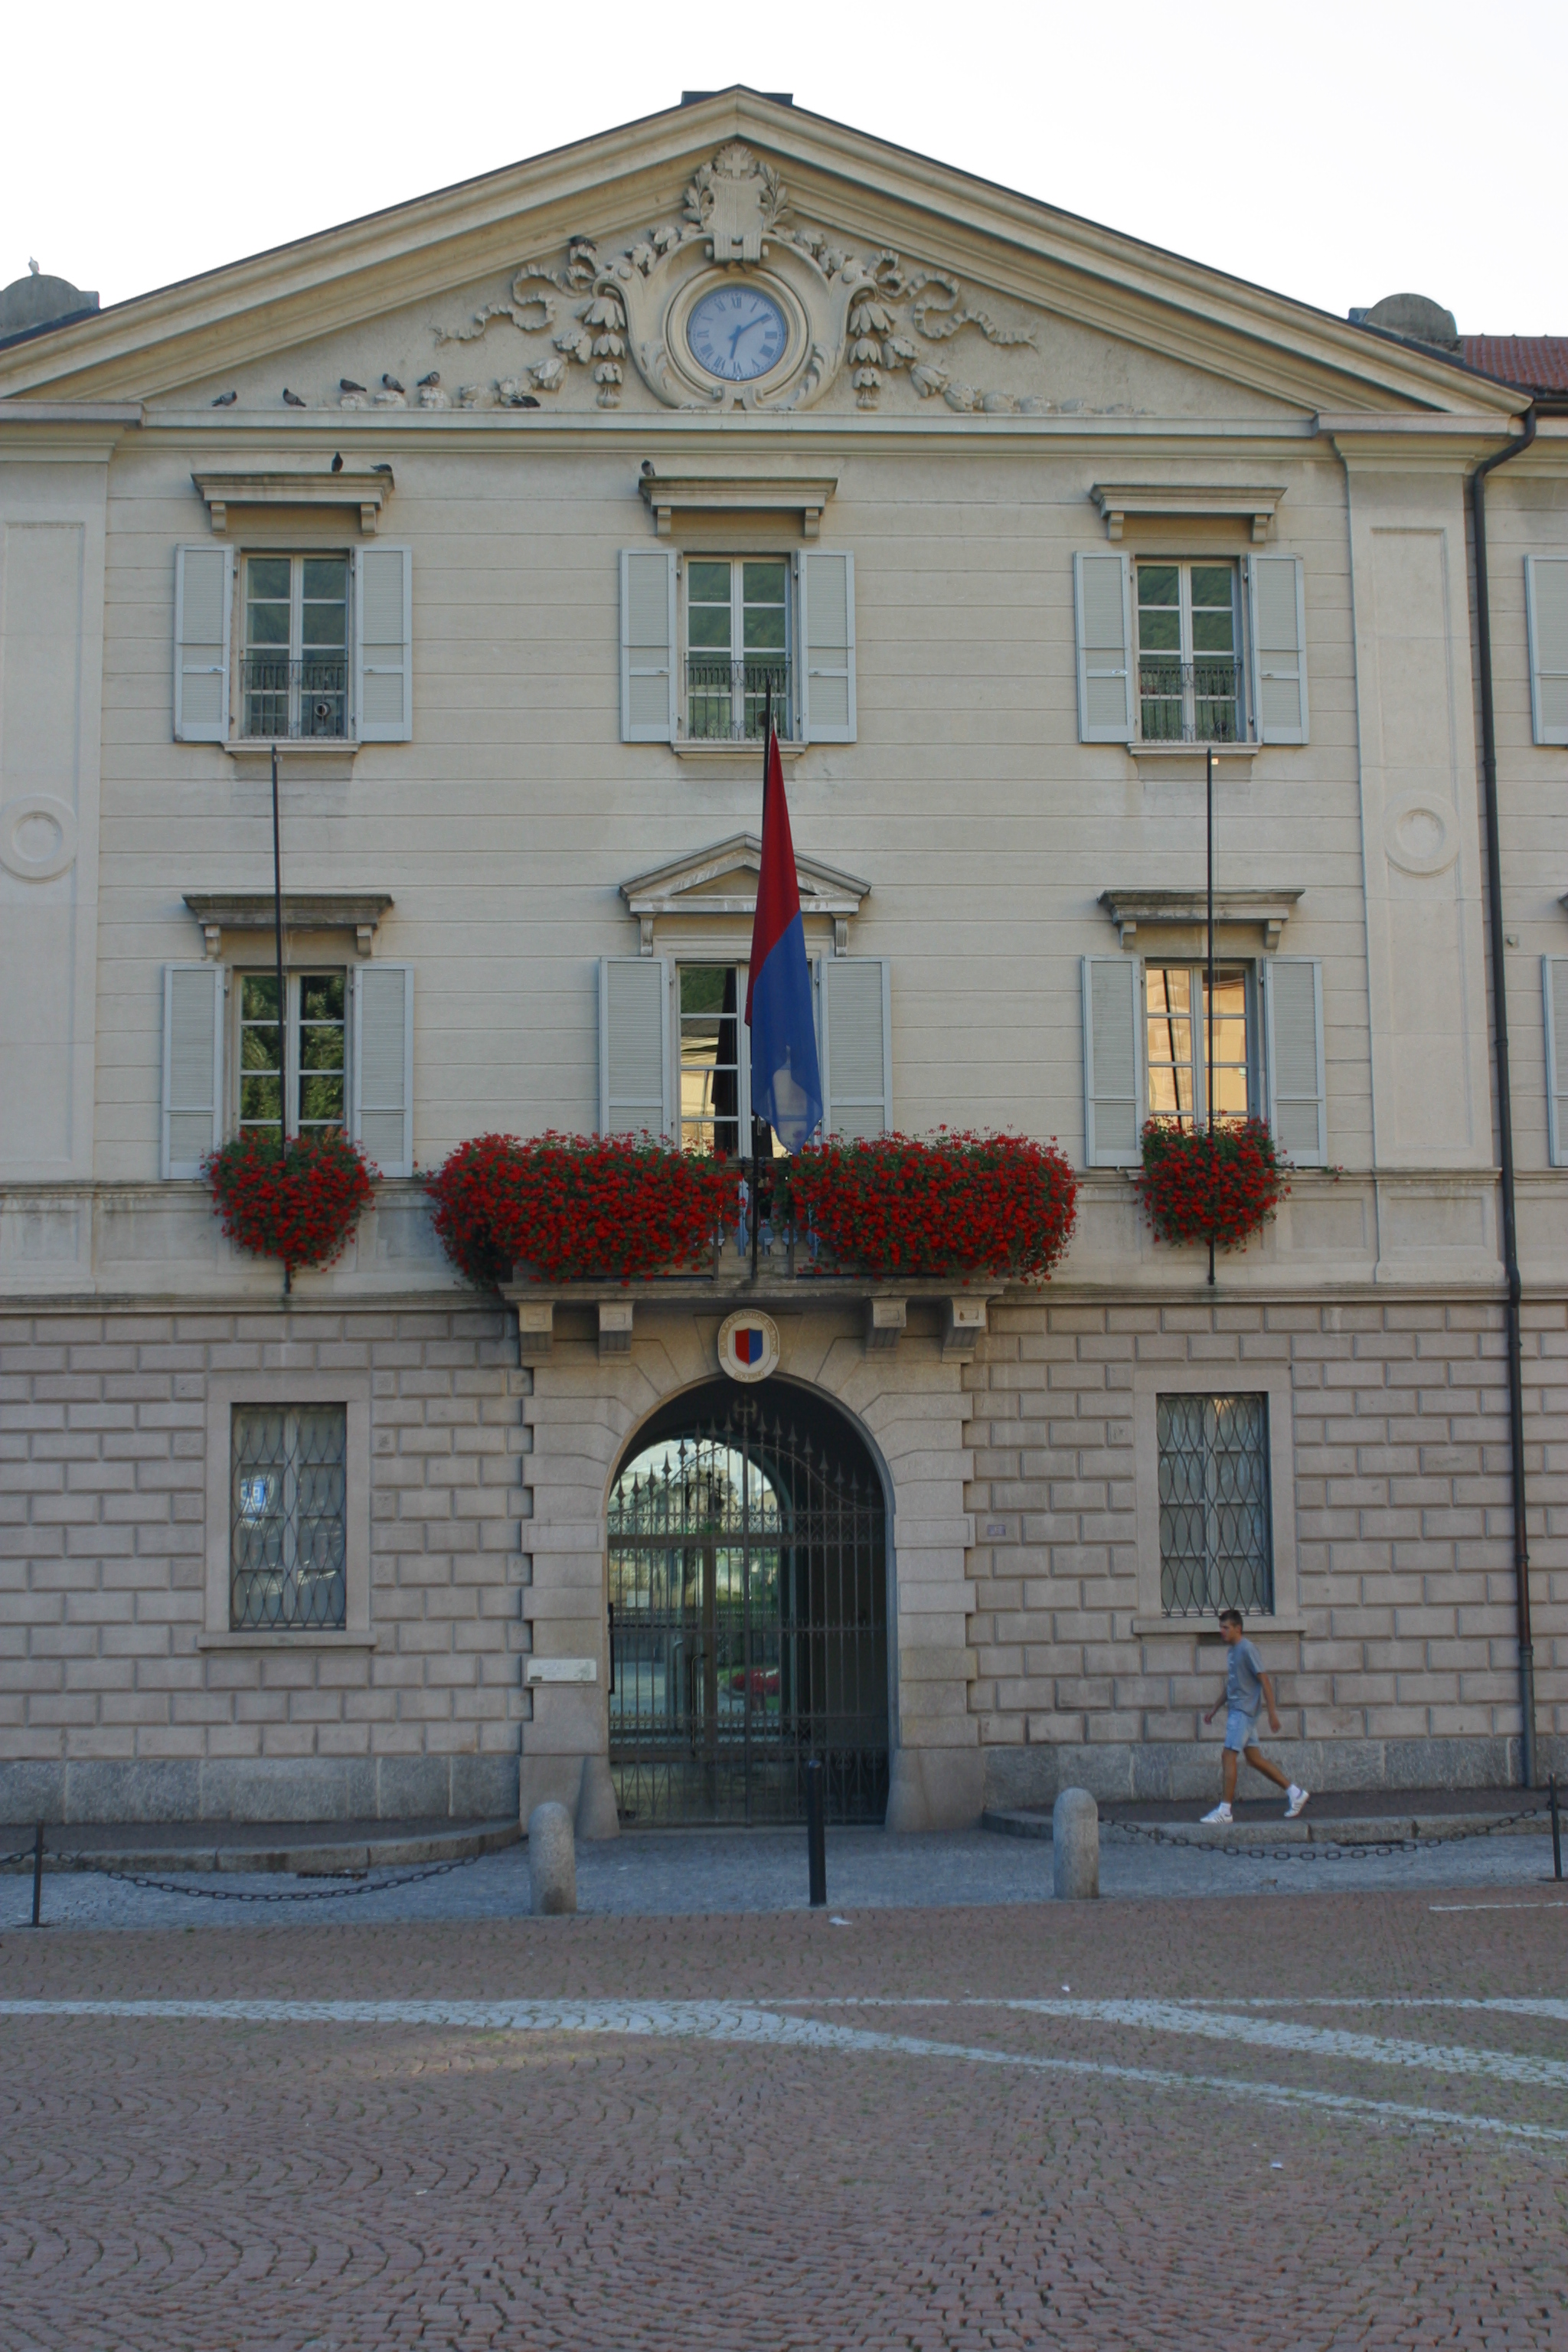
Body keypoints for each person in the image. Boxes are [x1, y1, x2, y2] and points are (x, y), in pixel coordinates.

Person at [1200, 1609, 1308, 1823]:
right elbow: (1233, 1685)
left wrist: (1272, 1714)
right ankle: (1296, 1793)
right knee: (1254, 1759)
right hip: (1238, 1710)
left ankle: (1225, 1811)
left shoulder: (1247, 1649)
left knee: (1228, 1756)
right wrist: (1214, 1709)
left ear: (1237, 1629)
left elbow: (1265, 1681)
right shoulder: (1232, 1651)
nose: (1221, 1631)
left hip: (1243, 1713)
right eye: (1220, 1627)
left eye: (1226, 1628)